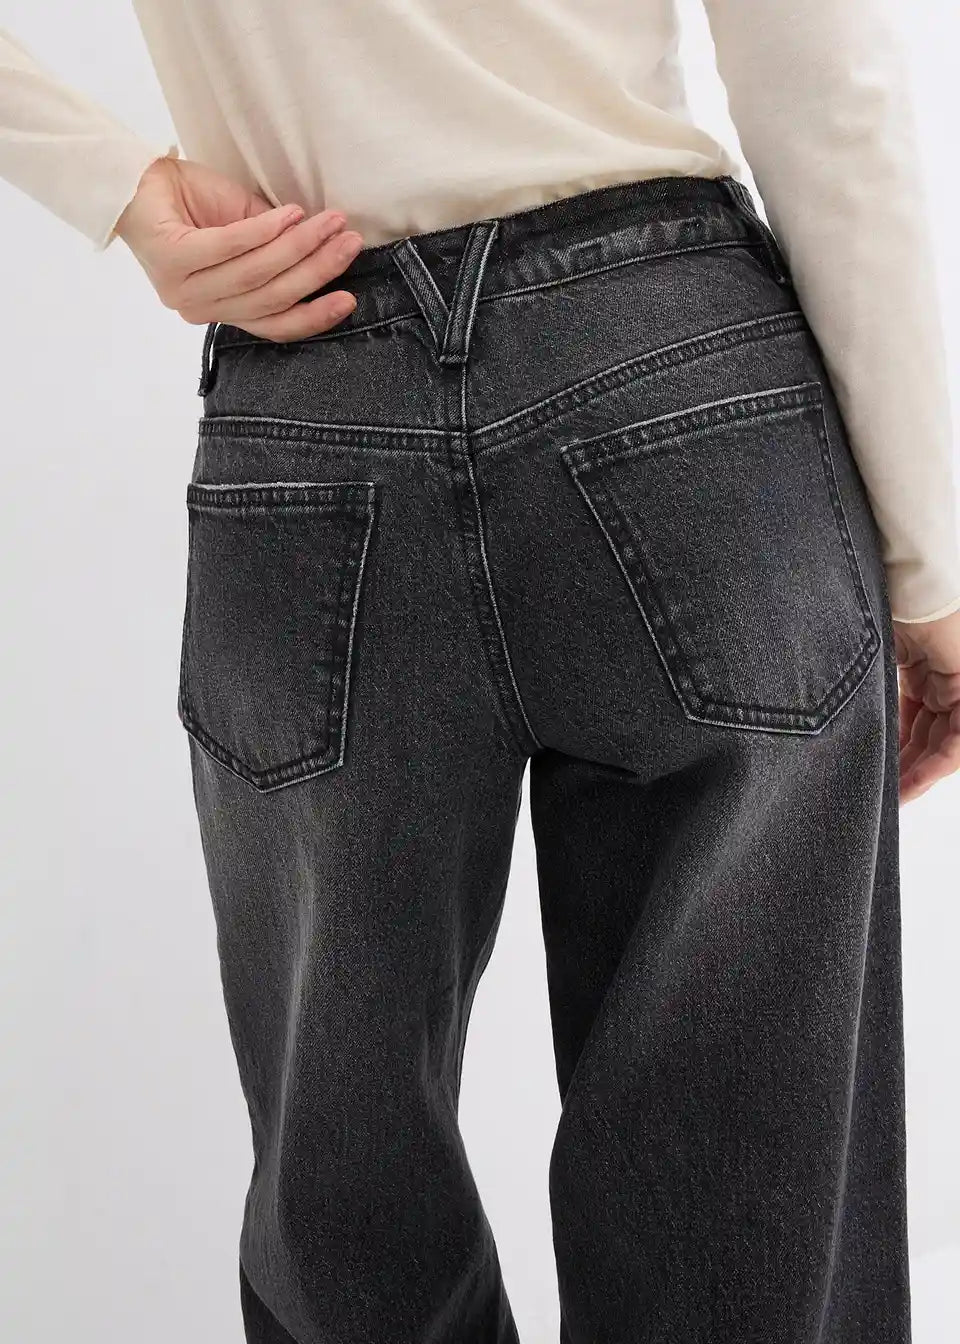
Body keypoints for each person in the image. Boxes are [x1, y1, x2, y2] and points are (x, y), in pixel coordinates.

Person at [2, 4, 958, 1342]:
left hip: (318, 388)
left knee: (348, 1202)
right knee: (749, 1202)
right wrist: (930, 566)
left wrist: (120, 188)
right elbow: (828, 76)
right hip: (680, 384)